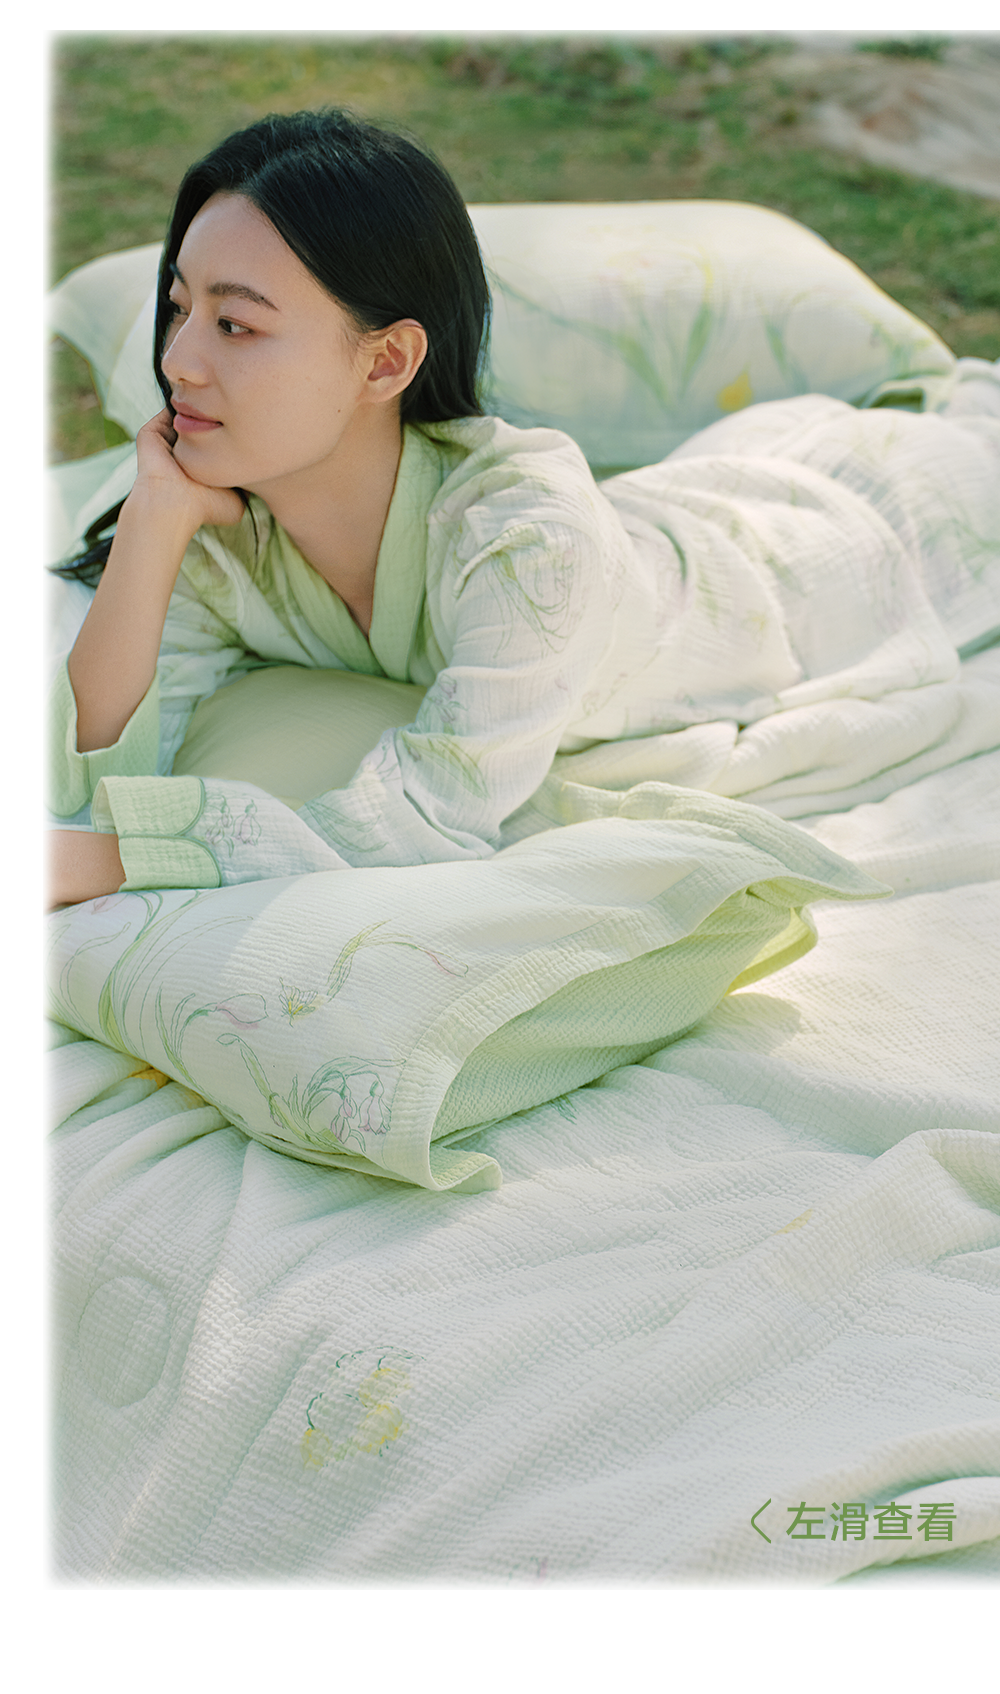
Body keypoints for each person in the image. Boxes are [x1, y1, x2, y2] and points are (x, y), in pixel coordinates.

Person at [43, 108, 999, 912]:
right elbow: (83, 778)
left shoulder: (528, 542)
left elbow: (431, 815)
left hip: (846, 548)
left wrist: (119, 861)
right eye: (179, 309)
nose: (178, 361)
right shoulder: (226, 524)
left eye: (236, 323)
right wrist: (153, 523)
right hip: (677, 508)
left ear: (386, 361)